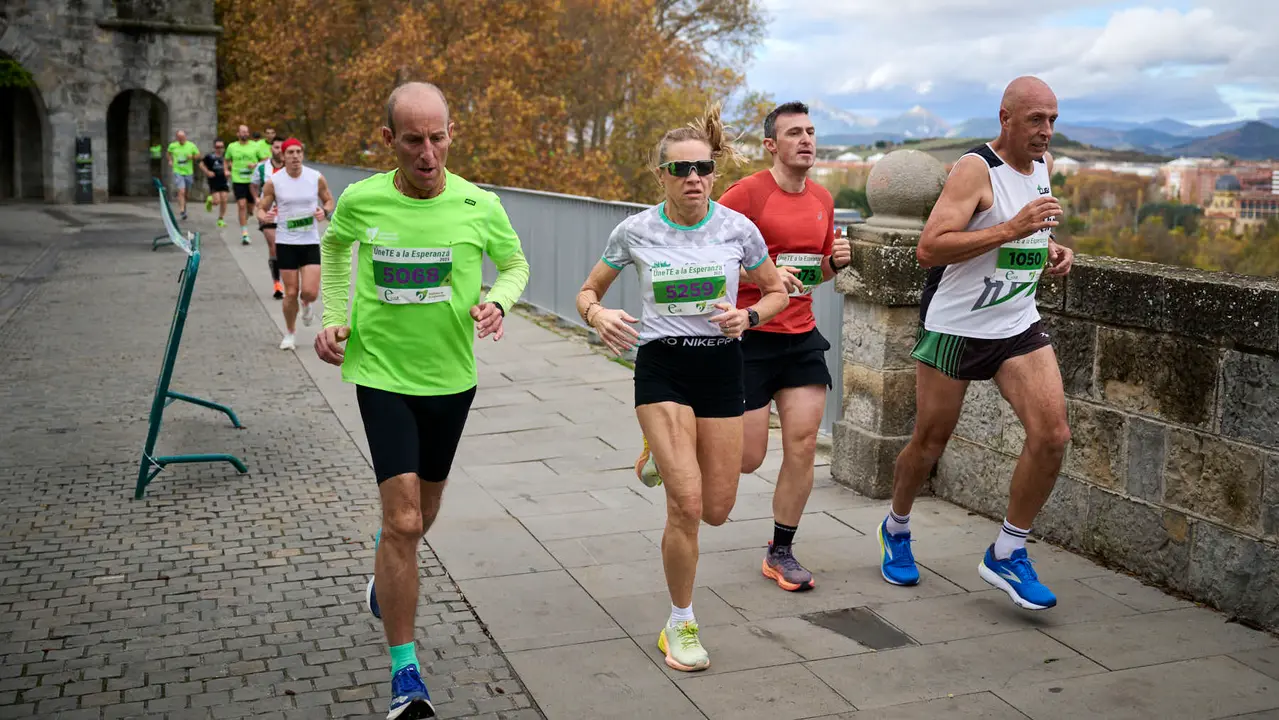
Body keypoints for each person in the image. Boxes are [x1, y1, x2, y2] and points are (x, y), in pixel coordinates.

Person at [314, 82, 529, 720]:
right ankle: (406, 678)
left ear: (451, 135)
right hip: (381, 373)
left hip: (451, 381)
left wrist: (499, 301)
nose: (428, 153)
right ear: (390, 141)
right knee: (406, 521)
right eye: (414, 140)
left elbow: (515, 264)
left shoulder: (477, 203)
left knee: (419, 515)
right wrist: (331, 316)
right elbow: (333, 249)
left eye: (438, 138)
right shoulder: (361, 199)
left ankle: (388, 564)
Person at [576, 104, 789, 673]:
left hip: (722, 366)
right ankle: (680, 622)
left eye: (701, 168)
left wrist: (750, 318)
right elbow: (587, 292)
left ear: (713, 173)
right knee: (687, 506)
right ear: (661, 176)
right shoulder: (636, 230)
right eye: (680, 170)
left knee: (718, 509)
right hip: (662, 366)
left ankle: (658, 453)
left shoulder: (738, 230)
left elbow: (775, 293)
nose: (692, 178)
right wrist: (598, 317)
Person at [877, 76, 1074, 611]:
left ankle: (1008, 551)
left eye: (1053, 119)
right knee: (929, 443)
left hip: (1016, 325)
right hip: (955, 329)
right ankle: (896, 528)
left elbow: (1026, 231)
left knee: (1053, 435)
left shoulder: (1044, 168)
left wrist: (1050, 248)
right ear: (1006, 118)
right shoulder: (974, 169)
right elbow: (930, 248)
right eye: (1036, 119)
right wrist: (1012, 229)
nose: (1046, 131)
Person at [717, 101, 851, 593]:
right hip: (749, 336)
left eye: (811, 132)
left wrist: (836, 261)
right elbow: (709, 258)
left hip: (799, 338)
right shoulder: (746, 195)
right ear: (772, 145)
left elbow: (816, 272)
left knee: (802, 446)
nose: (806, 140)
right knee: (748, 457)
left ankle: (781, 550)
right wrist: (764, 277)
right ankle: (680, 446)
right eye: (795, 133)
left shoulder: (822, 197)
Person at [257, 138, 333, 350]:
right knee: (291, 292)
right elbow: (261, 208)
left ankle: (306, 304)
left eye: (298, 151)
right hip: (286, 242)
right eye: (290, 152)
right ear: (283, 156)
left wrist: (323, 211)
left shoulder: (315, 177)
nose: (295, 156)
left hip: (309, 241)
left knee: (309, 292)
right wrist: (266, 216)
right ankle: (290, 333)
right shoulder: (275, 181)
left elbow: (328, 200)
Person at [252, 137, 287, 299]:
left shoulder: (292, 168)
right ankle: (277, 284)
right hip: (268, 213)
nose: (278, 151)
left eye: (281, 148)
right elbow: (253, 185)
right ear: (271, 149)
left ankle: (289, 280)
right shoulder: (261, 168)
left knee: (286, 249)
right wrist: (257, 200)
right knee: (274, 247)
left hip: (287, 215)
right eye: (276, 147)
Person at [226, 124, 262, 245]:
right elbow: (226, 160)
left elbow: (264, 160)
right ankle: (245, 234)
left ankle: (248, 214)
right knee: (241, 205)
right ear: (238, 134)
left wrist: (255, 165)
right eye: (242, 132)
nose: (244, 134)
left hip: (253, 181)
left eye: (246, 132)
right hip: (238, 180)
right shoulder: (232, 146)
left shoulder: (255, 146)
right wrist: (226, 169)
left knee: (251, 208)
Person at [166, 130, 200, 221]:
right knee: (181, 191)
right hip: (178, 171)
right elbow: (168, 153)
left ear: (185, 137)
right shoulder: (173, 146)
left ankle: (184, 207)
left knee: (186, 193)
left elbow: (198, 155)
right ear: (177, 138)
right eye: (180, 138)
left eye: (183, 138)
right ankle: (181, 210)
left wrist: (192, 157)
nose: (181, 139)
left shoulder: (191, 145)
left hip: (188, 172)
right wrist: (170, 160)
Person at [201, 140, 230, 228]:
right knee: (217, 201)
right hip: (214, 181)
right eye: (217, 147)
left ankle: (220, 219)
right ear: (214, 148)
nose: (219, 149)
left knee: (224, 200)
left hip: (224, 181)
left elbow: (231, 165)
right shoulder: (209, 156)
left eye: (221, 147)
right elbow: (201, 165)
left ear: (224, 148)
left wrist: (229, 172)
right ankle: (210, 200)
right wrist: (208, 172)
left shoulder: (226, 157)